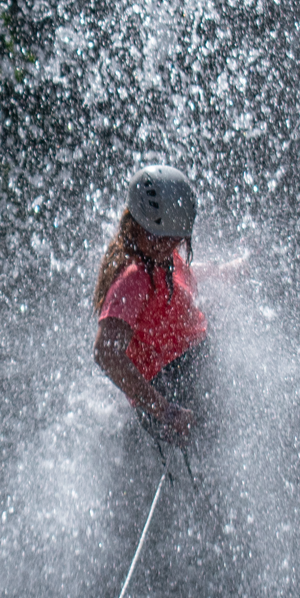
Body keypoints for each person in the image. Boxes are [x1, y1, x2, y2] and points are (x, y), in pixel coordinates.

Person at [93, 164, 218, 444]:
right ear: (141, 228)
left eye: (178, 240)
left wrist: (231, 269)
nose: (174, 246)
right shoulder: (134, 278)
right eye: (166, 240)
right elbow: (105, 352)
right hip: (173, 389)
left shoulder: (159, 256)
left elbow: (187, 273)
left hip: (184, 377)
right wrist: (166, 410)